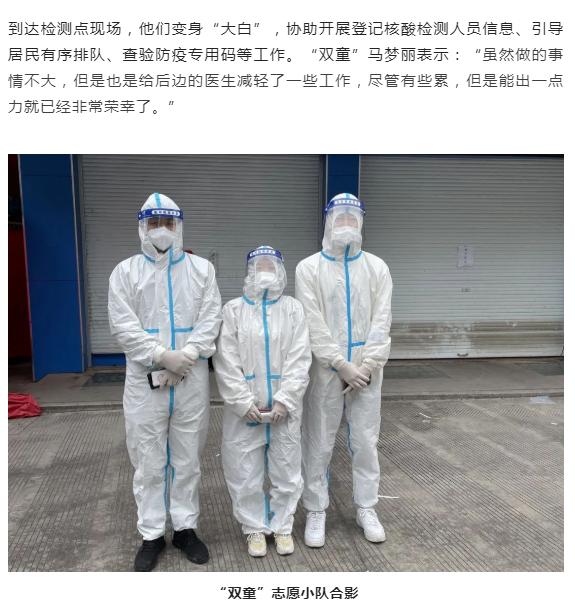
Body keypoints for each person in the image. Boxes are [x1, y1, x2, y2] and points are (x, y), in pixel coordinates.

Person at [108, 192, 222, 571]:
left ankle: (185, 529)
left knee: (188, 458)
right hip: (145, 383)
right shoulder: (125, 273)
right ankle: (152, 534)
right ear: (143, 227)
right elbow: (123, 326)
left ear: (179, 226)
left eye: (168, 223)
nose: (161, 230)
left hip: (190, 381)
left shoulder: (202, 270)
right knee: (148, 460)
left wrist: (185, 358)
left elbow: (211, 318)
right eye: (154, 223)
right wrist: (161, 355)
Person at [295, 193, 393, 547]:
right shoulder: (309, 268)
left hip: (367, 371)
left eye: (353, 219)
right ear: (328, 223)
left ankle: (367, 507)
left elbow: (382, 320)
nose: (347, 225)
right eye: (341, 219)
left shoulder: (377, 268)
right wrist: (340, 364)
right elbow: (312, 322)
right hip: (326, 370)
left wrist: (366, 365)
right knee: (318, 440)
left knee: (366, 441)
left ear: (361, 223)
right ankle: (316, 509)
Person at [214, 246, 311, 557]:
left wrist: (286, 400)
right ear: (250, 272)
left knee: (287, 470)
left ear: (280, 271)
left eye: (271, 266)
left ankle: (282, 526)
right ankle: (254, 527)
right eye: (259, 266)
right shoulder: (233, 311)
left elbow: (300, 357)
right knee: (244, 472)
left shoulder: (293, 309)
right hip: (246, 412)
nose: (266, 271)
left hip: (284, 411)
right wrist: (243, 403)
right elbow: (226, 361)